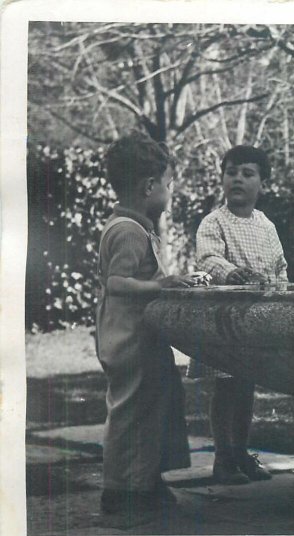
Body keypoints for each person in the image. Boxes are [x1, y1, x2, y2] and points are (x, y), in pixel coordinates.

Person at [95, 131, 193, 515]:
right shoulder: (127, 231)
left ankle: (145, 479)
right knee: (131, 411)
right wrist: (161, 284)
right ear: (149, 186)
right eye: (168, 185)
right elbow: (117, 283)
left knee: (151, 407)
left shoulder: (130, 225)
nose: (170, 195)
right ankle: (120, 489)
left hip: (138, 337)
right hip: (129, 340)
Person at [188, 145, 288, 485]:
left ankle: (241, 451)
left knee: (246, 388)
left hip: (256, 321)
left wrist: (279, 294)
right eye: (231, 173)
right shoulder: (213, 222)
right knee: (225, 386)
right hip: (224, 320)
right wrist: (232, 274)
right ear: (222, 179)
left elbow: (279, 268)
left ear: (262, 183)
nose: (238, 180)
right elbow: (207, 259)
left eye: (247, 174)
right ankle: (222, 457)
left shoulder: (266, 226)